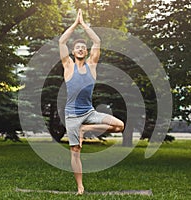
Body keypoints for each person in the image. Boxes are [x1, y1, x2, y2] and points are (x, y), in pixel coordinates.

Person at [58, 9, 124, 195]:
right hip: (72, 115)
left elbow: (97, 41)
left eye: (83, 47)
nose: (80, 49)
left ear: (86, 52)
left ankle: (85, 130)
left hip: (89, 113)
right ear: (73, 52)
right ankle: (80, 187)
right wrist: (75, 23)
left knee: (119, 126)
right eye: (77, 47)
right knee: (75, 151)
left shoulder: (91, 65)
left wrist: (84, 24)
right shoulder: (68, 66)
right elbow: (61, 41)